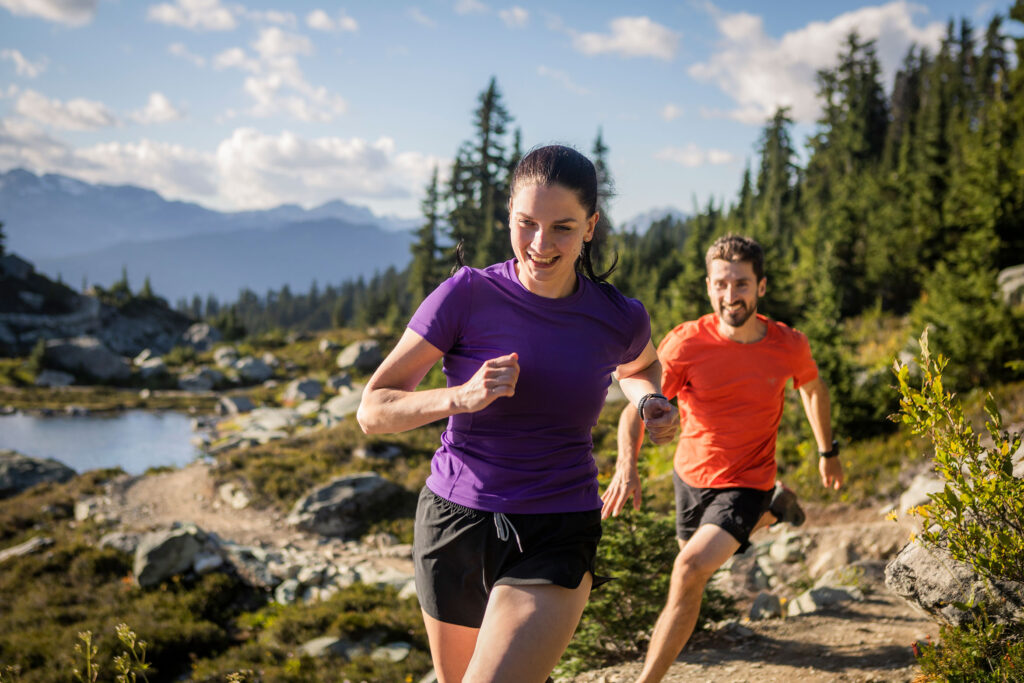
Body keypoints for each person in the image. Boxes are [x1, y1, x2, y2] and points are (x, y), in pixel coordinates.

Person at [357, 144, 679, 683]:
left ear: (591, 227)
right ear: (509, 214)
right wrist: (459, 397)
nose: (540, 244)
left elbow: (640, 367)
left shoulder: (618, 316)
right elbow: (373, 409)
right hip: (452, 526)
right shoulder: (465, 295)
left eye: (563, 227)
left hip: (556, 527)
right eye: (526, 223)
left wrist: (649, 401)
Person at [601, 234, 845, 683]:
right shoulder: (686, 343)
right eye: (721, 284)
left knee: (689, 569)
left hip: (747, 479)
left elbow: (812, 389)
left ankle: (646, 680)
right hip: (690, 477)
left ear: (761, 286)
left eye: (741, 284)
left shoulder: (788, 344)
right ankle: (773, 513)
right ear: (708, 285)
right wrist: (626, 466)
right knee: (694, 577)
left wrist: (827, 452)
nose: (730, 295)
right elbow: (639, 406)